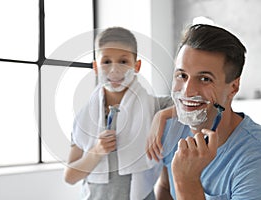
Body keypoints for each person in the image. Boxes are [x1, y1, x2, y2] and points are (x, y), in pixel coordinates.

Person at [150, 24, 261, 199]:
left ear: (233, 87)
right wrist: (160, 115)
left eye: (204, 79)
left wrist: (187, 182)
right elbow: (165, 188)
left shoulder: (254, 157)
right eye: (182, 75)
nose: (187, 91)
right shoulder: (171, 130)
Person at [63, 27, 173, 200]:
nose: (114, 70)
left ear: (136, 66)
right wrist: (97, 151)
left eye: (123, 61)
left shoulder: (156, 106)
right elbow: (70, 176)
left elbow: (193, 107)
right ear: (96, 67)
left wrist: (161, 115)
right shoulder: (84, 117)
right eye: (106, 62)